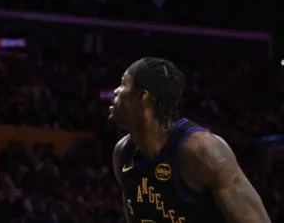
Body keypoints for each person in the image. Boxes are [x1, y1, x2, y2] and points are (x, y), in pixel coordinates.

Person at [109, 57, 271, 223]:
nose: (115, 91)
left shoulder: (202, 151)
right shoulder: (122, 154)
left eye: (123, 84)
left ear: (143, 97)